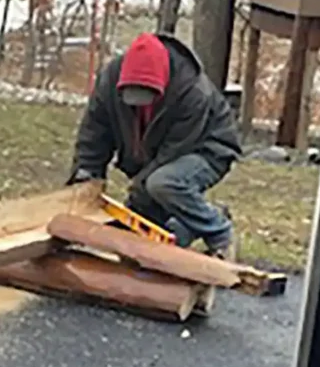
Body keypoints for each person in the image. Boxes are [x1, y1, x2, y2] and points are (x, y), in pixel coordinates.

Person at [67, 31, 242, 256]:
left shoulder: (192, 90)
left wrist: (136, 197)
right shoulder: (109, 81)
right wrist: (86, 175)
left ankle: (219, 231)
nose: (139, 103)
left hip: (207, 149)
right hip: (157, 160)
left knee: (163, 183)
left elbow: (174, 151)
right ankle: (190, 223)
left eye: (146, 96)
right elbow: (94, 133)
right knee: (148, 243)